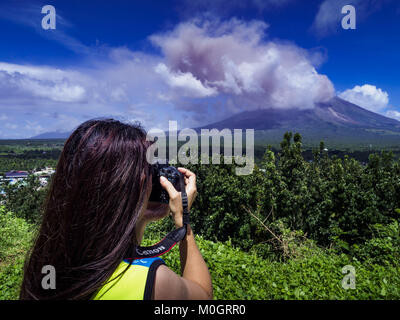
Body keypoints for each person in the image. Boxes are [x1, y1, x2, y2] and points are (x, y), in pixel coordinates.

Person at [19, 119, 213, 300]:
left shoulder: (46, 265)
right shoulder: (153, 281)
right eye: (149, 173)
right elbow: (204, 295)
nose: (156, 182)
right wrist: (182, 219)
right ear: (126, 190)